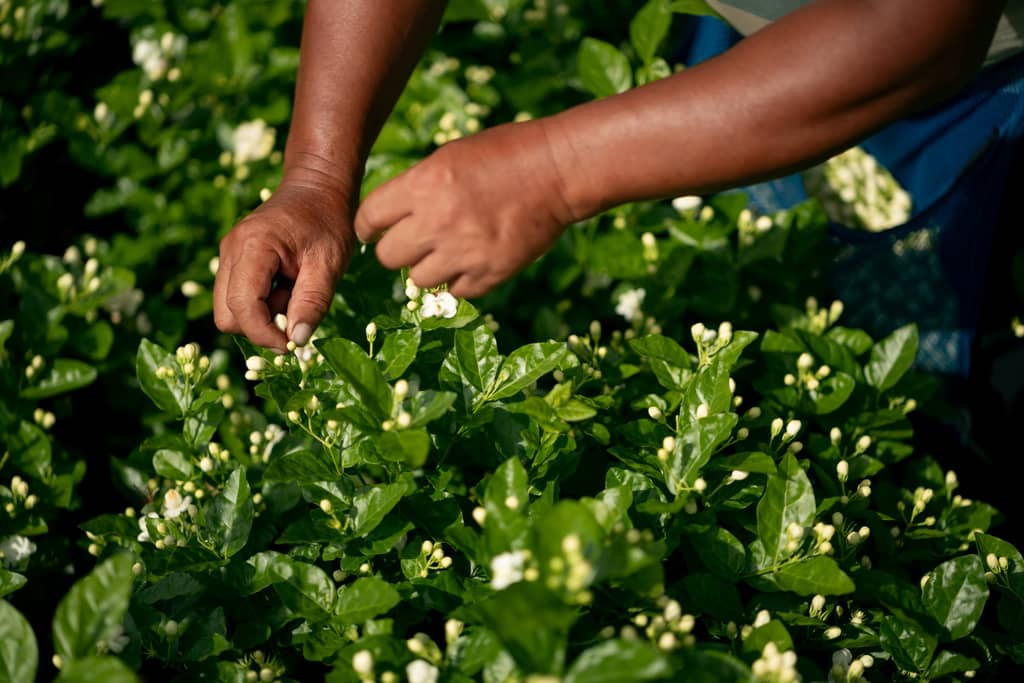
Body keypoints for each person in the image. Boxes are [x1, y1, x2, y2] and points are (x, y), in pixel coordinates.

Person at [213, 0, 1022, 369]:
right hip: (773, 38)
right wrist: (317, 175)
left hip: (978, 78)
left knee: (947, 367)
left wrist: (555, 172)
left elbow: (917, 24)